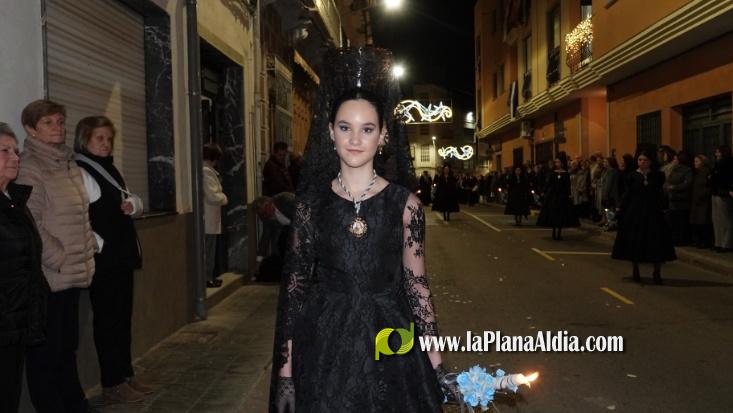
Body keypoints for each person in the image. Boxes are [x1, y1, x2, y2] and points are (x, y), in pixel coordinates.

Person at [270, 47, 452, 413]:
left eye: (367, 129)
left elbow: (417, 288)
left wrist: (436, 363)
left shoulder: (405, 205)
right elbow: (294, 289)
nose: (355, 139)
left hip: (390, 339)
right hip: (323, 343)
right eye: (345, 127)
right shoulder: (311, 205)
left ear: (383, 135)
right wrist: (286, 370)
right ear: (330, 132)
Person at [16, 99, 97, 412]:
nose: (58, 128)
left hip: (73, 272)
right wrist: (58, 258)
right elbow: (31, 220)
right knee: (46, 351)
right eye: (48, 122)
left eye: (60, 122)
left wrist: (87, 248)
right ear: (30, 129)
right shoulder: (30, 166)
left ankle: (74, 403)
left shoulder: (67, 162)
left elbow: (80, 215)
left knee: (66, 345)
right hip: (51, 275)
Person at [73, 116, 151, 403]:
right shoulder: (81, 171)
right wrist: (101, 244)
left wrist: (134, 205)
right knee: (108, 322)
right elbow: (80, 216)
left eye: (109, 139)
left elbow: (130, 199)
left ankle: (126, 374)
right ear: (84, 140)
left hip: (121, 257)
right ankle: (112, 382)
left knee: (122, 319)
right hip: (105, 261)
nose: (106, 144)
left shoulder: (110, 168)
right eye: (100, 139)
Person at [0, 123, 48, 413]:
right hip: (6, 319)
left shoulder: (15, 200)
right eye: (4, 151)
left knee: (9, 393)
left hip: (16, 321)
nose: (15, 157)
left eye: (15, 150)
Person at [612, 148, 676, 284]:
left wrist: (664, 207)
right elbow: (627, 194)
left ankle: (657, 272)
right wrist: (620, 207)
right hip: (635, 212)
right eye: (640, 160)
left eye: (645, 160)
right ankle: (636, 271)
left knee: (656, 241)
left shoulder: (658, 176)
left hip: (653, 212)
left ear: (650, 161)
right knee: (635, 241)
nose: (642, 162)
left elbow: (660, 193)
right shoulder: (632, 176)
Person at [202, 143, 229, 288]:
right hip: (209, 218)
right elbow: (213, 196)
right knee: (209, 249)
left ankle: (209, 276)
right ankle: (207, 278)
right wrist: (224, 197)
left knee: (209, 249)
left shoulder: (206, 170)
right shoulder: (206, 171)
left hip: (209, 218)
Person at [253, 192, 296, 282]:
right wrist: (258, 262)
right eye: (262, 215)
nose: (265, 216)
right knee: (281, 244)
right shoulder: (266, 217)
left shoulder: (286, 199)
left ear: (269, 203)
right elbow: (265, 238)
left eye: (265, 212)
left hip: (303, 226)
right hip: (288, 231)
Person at [536, 153, 579, 240]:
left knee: (561, 214)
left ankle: (559, 232)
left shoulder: (566, 174)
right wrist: (544, 191)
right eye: (556, 162)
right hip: (553, 196)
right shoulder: (552, 173)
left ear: (562, 163)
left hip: (562, 196)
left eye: (558, 162)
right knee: (553, 214)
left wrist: (569, 194)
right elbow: (548, 183)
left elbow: (567, 185)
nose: (557, 164)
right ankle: (553, 231)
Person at [663, 152, 693, 246]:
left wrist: (674, 187)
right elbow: (668, 180)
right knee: (674, 221)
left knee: (681, 221)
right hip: (673, 199)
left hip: (682, 199)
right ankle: (675, 239)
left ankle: (682, 240)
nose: (674, 161)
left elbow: (687, 183)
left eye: (675, 159)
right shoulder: (674, 169)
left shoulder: (687, 170)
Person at [709, 146, 733, 252]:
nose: (716, 154)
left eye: (718, 152)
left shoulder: (728, 163)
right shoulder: (718, 164)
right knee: (717, 219)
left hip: (723, 193)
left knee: (725, 219)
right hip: (716, 192)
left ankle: (726, 244)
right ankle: (718, 242)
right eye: (716, 152)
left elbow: (720, 178)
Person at [689, 155, 712, 248]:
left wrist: (702, 195)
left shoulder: (706, 173)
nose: (695, 163)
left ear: (703, 162)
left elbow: (709, 186)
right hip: (696, 200)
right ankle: (698, 241)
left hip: (703, 201)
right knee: (696, 222)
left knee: (703, 222)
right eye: (694, 161)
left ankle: (704, 241)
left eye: (697, 161)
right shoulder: (697, 173)